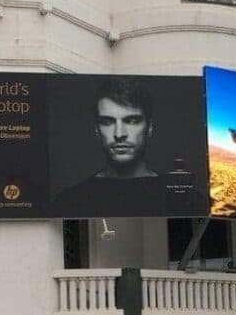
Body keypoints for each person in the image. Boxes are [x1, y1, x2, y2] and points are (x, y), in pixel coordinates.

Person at [51, 78, 204, 216]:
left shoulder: (187, 201)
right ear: (97, 130)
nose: (119, 134)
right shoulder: (69, 202)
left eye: (131, 121)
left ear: (149, 128)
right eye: (108, 122)